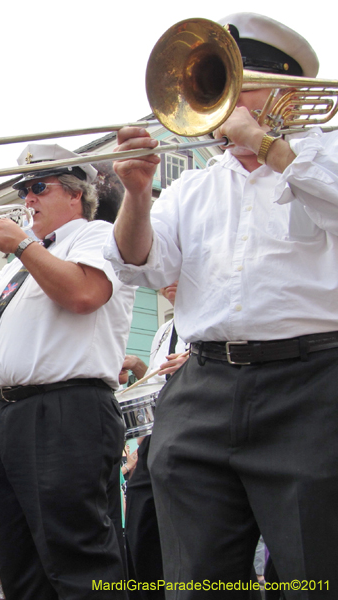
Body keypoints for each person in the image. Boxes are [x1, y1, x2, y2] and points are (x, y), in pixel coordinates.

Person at [106, 12, 338, 595]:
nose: (223, 103)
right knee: (196, 580)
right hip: (205, 383)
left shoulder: (324, 157)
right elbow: (141, 264)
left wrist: (266, 143)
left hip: (314, 383)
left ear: (288, 92)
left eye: (242, 84)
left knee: (316, 572)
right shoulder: (193, 187)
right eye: (219, 83)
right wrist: (135, 192)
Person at [0, 143, 134, 600]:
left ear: (76, 194)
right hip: (9, 415)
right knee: (20, 561)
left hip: (69, 409)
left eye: (36, 188)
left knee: (77, 559)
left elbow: (84, 295)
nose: (26, 200)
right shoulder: (20, 263)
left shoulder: (97, 236)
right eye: (22, 190)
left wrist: (21, 243)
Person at [121, 283, 187, 600]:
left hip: (198, 429)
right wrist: (136, 366)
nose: (167, 283)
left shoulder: (213, 319)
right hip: (159, 433)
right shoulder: (163, 331)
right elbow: (155, 386)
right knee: (140, 524)